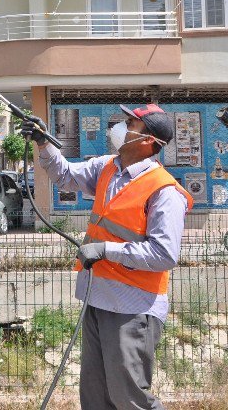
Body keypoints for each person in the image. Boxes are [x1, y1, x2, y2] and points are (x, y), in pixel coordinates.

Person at [22, 104, 192, 410]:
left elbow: (164, 254)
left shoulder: (165, 191)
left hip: (133, 306)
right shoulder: (108, 168)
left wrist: (106, 251)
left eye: (130, 124)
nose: (120, 127)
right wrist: (43, 142)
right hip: (98, 297)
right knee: (96, 397)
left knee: (129, 398)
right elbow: (65, 176)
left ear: (148, 141)